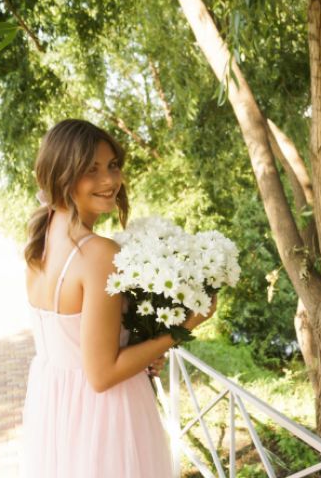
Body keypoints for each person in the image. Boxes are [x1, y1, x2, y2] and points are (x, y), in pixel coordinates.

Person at [21, 118, 217, 477]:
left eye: (112, 165)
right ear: (63, 175)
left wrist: (140, 347)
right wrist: (187, 324)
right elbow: (102, 374)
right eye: (91, 170)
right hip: (104, 416)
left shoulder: (41, 242)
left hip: (56, 408)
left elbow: (80, 344)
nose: (110, 180)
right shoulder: (99, 253)